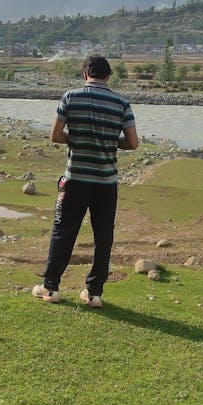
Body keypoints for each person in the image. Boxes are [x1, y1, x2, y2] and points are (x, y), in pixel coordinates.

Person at [32, 55, 139, 307]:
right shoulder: (121, 103)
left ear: (84, 75)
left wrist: (77, 139)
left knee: (63, 233)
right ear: (108, 77)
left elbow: (55, 136)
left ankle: (50, 289)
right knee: (103, 237)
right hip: (106, 183)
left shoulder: (70, 97)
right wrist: (111, 143)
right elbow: (133, 143)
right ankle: (94, 293)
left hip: (75, 180)